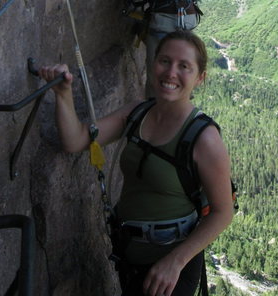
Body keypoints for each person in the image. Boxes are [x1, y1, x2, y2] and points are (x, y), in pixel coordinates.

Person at [39, 30, 233, 296]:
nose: (171, 72)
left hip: (172, 268)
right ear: (153, 64)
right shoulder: (136, 113)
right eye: (164, 61)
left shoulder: (204, 138)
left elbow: (224, 212)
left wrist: (175, 262)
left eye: (184, 66)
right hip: (129, 255)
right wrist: (63, 93)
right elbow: (76, 140)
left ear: (200, 78)